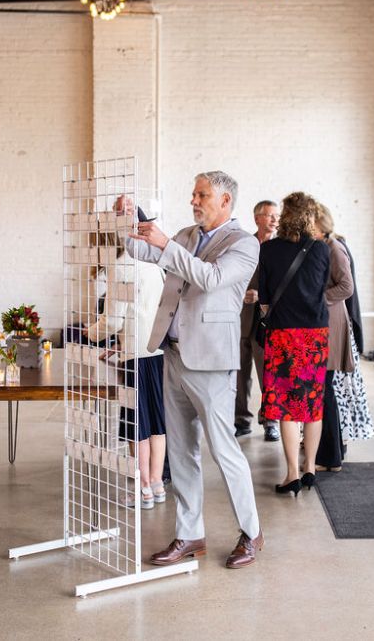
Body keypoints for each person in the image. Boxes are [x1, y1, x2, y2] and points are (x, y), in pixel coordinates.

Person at [119, 170, 263, 569]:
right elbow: (142, 252)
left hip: (212, 363)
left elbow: (210, 278)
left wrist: (165, 243)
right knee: (181, 451)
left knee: (223, 450)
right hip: (173, 354)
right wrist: (126, 223)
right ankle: (189, 533)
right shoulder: (184, 235)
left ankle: (251, 532)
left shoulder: (243, 243)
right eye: (194, 194)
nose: (194, 201)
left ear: (225, 201)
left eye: (202, 195)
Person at [83, 238, 167, 510]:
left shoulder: (121, 268)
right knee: (157, 421)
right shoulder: (154, 263)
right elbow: (147, 310)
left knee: (137, 424)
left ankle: (142, 489)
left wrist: (90, 333)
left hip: (136, 356)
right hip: (158, 351)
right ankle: (157, 484)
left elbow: (114, 320)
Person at [258, 192, 330, 495]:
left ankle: (291, 473)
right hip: (314, 334)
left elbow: (264, 297)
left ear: (285, 215)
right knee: (312, 402)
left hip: (283, 334)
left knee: (287, 405)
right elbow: (323, 287)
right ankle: (310, 467)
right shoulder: (321, 250)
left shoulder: (269, 249)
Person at [314, 204, 374, 471]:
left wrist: (316, 299)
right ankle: (331, 453)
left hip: (331, 322)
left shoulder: (334, 247)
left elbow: (346, 287)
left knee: (325, 390)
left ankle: (331, 456)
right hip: (324, 321)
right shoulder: (321, 247)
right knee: (325, 391)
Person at [235, 199, 280, 441]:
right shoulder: (244, 245)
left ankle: (270, 420)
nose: (275, 220)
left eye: (277, 216)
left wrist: (261, 296)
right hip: (240, 318)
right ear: (257, 219)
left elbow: (283, 287)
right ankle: (241, 420)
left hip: (267, 321)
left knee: (268, 376)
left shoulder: (281, 248)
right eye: (270, 215)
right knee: (240, 375)